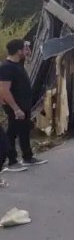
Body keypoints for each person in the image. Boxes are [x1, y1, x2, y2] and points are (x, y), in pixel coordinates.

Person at [0, 39, 46, 174]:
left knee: (24, 130)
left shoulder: (18, 64)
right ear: (18, 51)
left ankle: (27, 157)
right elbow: (4, 90)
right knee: (11, 133)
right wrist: (15, 108)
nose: (27, 51)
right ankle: (12, 161)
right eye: (24, 49)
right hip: (14, 106)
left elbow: (29, 56)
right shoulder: (6, 67)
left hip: (23, 104)